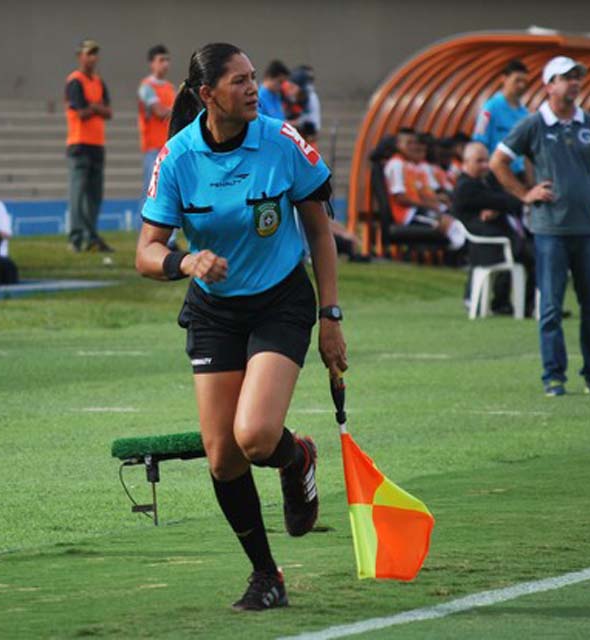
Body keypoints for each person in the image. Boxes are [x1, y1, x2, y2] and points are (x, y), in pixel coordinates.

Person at [135, 42, 347, 611]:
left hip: (280, 301)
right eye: (238, 81)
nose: (253, 88)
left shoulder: (282, 142)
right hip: (213, 309)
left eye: (254, 78)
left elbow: (321, 233)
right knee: (223, 456)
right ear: (207, 95)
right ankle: (266, 574)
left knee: (254, 438)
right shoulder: (177, 157)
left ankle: (296, 456)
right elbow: (146, 252)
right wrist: (185, 261)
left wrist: (330, 316)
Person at [491, 56, 590, 397]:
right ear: (549, 85)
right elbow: (497, 161)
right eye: (566, 77)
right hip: (550, 230)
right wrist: (525, 193)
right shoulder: (534, 124)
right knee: (550, 307)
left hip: (589, 229)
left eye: (577, 77)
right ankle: (554, 376)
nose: (574, 83)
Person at [453, 142, 535, 314]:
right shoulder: (466, 187)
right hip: (488, 245)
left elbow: (510, 200)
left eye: (486, 161)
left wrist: (499, 206)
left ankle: (522, 304)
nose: (485, 166)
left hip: (502, 239)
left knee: (538, 254)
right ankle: (531, 305)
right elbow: (512, 200)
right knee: (538, 256)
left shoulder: (487, 181)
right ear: (465, 162)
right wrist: (502, 203)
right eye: (479, 161)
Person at [65, 39, 113, 253]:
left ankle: (91, 236)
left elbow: (108, 112)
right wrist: (96, 108)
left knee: (94, 195)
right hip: (79, 144)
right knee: (78, 194)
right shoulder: (75, 81)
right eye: (89, 53)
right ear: (80, 56)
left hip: (96, 144)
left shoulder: (99, 82)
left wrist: (93, 108)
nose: (93, 58)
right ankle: (76, 237)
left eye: (95, 53)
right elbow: (81, 113)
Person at [384, 129, 464, 250]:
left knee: (456, 218)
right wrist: (429, 206)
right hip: (408, 215)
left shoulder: (410, 165)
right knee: (452, 224)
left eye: (414, 143)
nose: (413, 147)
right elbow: (400, 197)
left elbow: (422, 193)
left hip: (420, 211)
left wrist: (436, 201)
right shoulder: (396, 164)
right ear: (398, 145)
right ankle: (460, 257)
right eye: (408, 143)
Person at [473, 60, 530, 178]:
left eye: (524, 82)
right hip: (498, 174)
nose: (521, 86)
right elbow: (479, 141)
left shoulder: (525, 113)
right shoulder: (490, 108)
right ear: (504, 79)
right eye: (517, 81)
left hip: (521, 174)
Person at [137, 44, 176, 214]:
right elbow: (159, 112)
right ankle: (145, 235)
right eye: (161, 60)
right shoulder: (146, 87)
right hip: (153, 147)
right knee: (151, 191)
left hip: (168, 147)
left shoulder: (170, 87)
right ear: (151, 63)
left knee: (169, 190)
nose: (165, 64)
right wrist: (175, 110)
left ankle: (170, 238)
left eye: (167, 60)